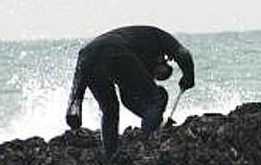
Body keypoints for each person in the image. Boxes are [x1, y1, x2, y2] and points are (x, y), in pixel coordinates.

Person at [65, 25, 195, 158]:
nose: (154, 77)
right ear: (162, 59)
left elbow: (127, 99)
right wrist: (189, 76)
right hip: (111, 49)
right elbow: (183, 54)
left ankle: (110, 157)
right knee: (157, 97)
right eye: (157, 74)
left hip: (87, 57)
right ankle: (147, 148)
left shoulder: (138, 51)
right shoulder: (160, 38)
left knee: (110, 109)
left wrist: (154, 118)